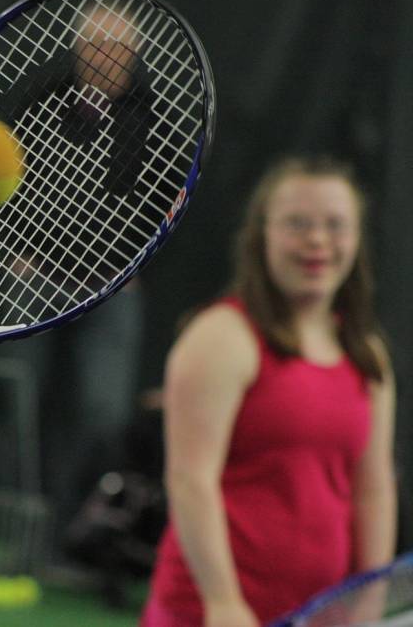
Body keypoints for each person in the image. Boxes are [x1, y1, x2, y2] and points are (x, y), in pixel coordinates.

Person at [141, 155, 397, 626]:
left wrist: (368, 598)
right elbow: (190, 480)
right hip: (211, 613)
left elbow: (373, 488)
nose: (317, 240)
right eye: (297, 223)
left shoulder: (367, 352)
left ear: (357, 239)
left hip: (323, 614)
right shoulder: (220, 336)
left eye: (335, 225)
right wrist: (223, 603)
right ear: (262, 235)